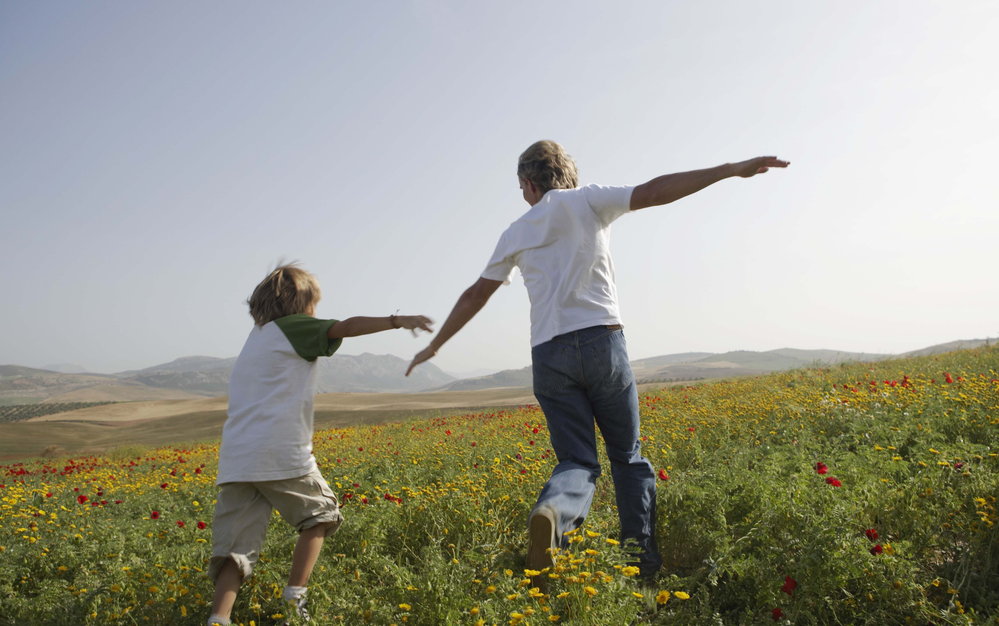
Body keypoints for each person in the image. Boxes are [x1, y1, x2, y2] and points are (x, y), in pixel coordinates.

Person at [406, 140, 788, 582]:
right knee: (627, 456)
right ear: (566, 175)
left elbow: (476, 295)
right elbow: (654, 190)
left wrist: (435, 347)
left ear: (529, 183)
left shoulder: (515, 231)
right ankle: (640, 566)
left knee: (577, 461)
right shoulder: (588, 200)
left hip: (549, 354)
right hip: (602, 342)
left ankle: (554, 512)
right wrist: (727, 169)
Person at [208, 263, 433, 626]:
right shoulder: (293, 328)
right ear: (299, 303)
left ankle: (218, 619)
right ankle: (294, 606)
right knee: (320, 517)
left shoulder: (258, 337)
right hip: (279, 453)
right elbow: (345, 326)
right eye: (314, 303)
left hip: (236, 459)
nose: (316, 312)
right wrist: (397, 320)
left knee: (235, 550)